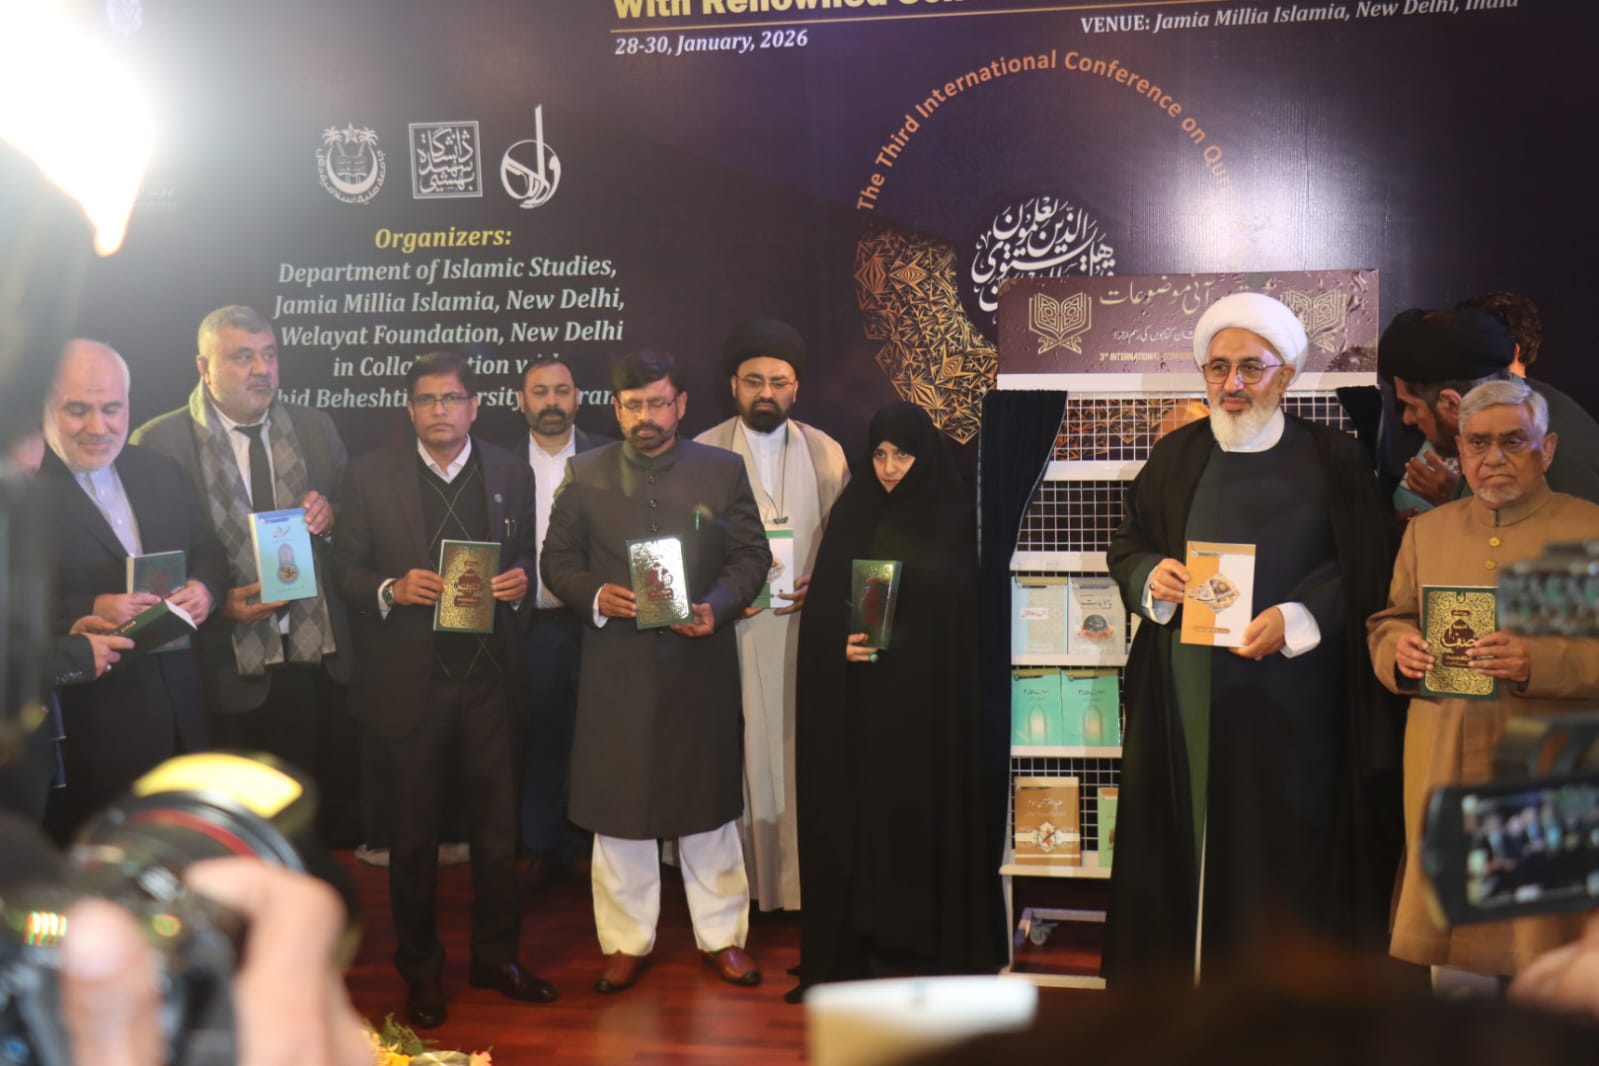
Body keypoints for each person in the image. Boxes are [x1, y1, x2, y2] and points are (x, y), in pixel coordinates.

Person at [1103, 292, 1402, 983]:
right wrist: (1151, 575)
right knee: (1184, 839)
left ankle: (1277, 1010)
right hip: (1185, 692)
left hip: (1293, 699)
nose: (1231, 384)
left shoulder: (1335, 459)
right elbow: (1128, 544)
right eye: (1217, 368)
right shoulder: (1176, 455)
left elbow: (1362, 567)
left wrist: (1295, 618)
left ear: (1285, 375)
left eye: (1250, 368)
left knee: (1283, 850)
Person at [331, 349, 550, 1027]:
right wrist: (390, 588)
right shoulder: (368, 476)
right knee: (414, 843)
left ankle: (497, 960)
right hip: (412, 687)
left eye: (451, 399)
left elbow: (525, 554)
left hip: (492, 684)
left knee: (497, 838)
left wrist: (520, 580)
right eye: (426, 400)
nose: (439, 411)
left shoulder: (510, 471)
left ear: (474, 407)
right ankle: (421, 974)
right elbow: (344, 570)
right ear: (409, 409)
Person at [540, 349, 771, 994]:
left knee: (707, 807)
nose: (646, 416)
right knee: (619, 807)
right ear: (616, 408)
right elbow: (556, 561)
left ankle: (723, 938)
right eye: (634, 405)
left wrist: (717, 606)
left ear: (681, 404)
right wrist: (594, 594)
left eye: (659, 403)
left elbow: (750, 556)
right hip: (616, 667)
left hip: (698, 662)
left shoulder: (722, 470)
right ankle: (625, 943)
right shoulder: (584, 472)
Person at [1367, 377, 1599, 982]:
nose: (1493, 457)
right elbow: (1390, 621)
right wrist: (1399, 653)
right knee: (1454, 975)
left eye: (1513, 441)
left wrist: (1537, 663)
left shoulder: (1590, 530)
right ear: (1461, 451)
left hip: (1546, 771)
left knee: (1548, 974)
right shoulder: (1428, 531)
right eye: (1478, 443)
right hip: (1444, 763)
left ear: (1547, 449)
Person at [790, 400, 1004, 1000]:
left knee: (929, 814)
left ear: (925, 455)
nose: (888, 468)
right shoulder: (854, 510)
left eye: (902, 455)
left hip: (936, 703)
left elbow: (970, 608)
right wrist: (839, 641)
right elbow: (827, 607)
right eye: (880, 454)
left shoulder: (956, 511)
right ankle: (873, 936)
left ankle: (933, 941)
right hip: (869, 702)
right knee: (872, 817)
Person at [131, 305, 359, 844]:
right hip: (218, 663)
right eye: (243, 357)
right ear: (203, 367)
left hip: (309, 657)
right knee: (226, 829)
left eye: (269, 355)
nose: (262, 369)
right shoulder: (159, 441)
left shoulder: (314, 427)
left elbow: (356, 518)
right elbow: (150, 559)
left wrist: (331, 517)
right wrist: (217, 601)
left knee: (302, 823)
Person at [37, 340, 225, 843]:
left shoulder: (159, 470)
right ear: (44, 405)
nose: (98, 427)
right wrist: (88, 607)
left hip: (182, 711)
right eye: (78, 410)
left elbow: (208, 548)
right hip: (89, 731)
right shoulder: (22, 490)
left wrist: (206, 590)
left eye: (111, 408)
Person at [694, 318, 849, 912]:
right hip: (725, 633)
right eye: (754, 381)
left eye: (778, 382)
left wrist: (826, 585)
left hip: (801, 630)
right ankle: (734, 893)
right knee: (732, 756)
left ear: (796, 387)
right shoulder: (703, 450)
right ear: (733, 385)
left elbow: (848, 540)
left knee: (794, 751)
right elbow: (686, 544)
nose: (767, 393)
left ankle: (800, 886)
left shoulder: (825, 451)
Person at [512, 357, 610, 887]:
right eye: (539, 391)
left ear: (578, 398)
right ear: (520, 401)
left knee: (600, 737)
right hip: (532, 625)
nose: (551, 402)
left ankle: (600, 848)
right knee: (540, 737)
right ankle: (541, 848)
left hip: (601, 622)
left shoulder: (610, 457)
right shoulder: (497, 463)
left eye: (561, 391)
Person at [1381, 307, 1599, 509]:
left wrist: (1454, 499)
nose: (1407, 419)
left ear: (1452, 404)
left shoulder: (1549, 459)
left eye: (1411, 406)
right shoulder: (1514, 408)